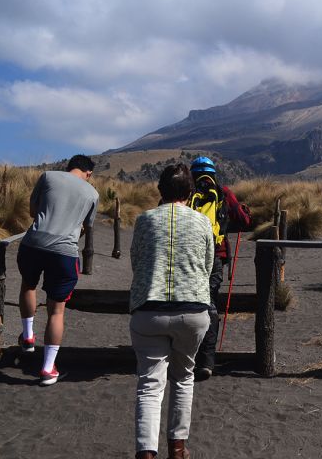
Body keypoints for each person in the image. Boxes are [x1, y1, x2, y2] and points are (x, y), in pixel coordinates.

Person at [130, 164, 214, 459]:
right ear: (190, 192)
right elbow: (208, 267)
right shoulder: (202, 223)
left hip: (148, 310)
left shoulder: (144, 221)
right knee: (183, 377)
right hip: (192, 311)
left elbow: (137, 262)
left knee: (150, 384)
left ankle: (146, 453)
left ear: (160, 191)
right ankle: (177, 449)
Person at [16, 154, 99, 386]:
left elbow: (33, 212)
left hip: (33, 244)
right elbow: (86, 227)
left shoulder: (47, 176)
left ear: (69, 166)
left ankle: (28, 336)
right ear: (89, 174)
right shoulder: (92, 194)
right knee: (56, 311)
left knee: (28, 285)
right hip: (64, 252)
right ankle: (47, 368)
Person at [188, 156, 251, 379]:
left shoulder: (186, 193)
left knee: (187, 301)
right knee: (210, 304)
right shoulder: (223, 193)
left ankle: (186, 356)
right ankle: (206, 361)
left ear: (193, 174)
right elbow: (243, 222)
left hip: (187, 256)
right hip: (215, 255)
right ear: (213, 173)